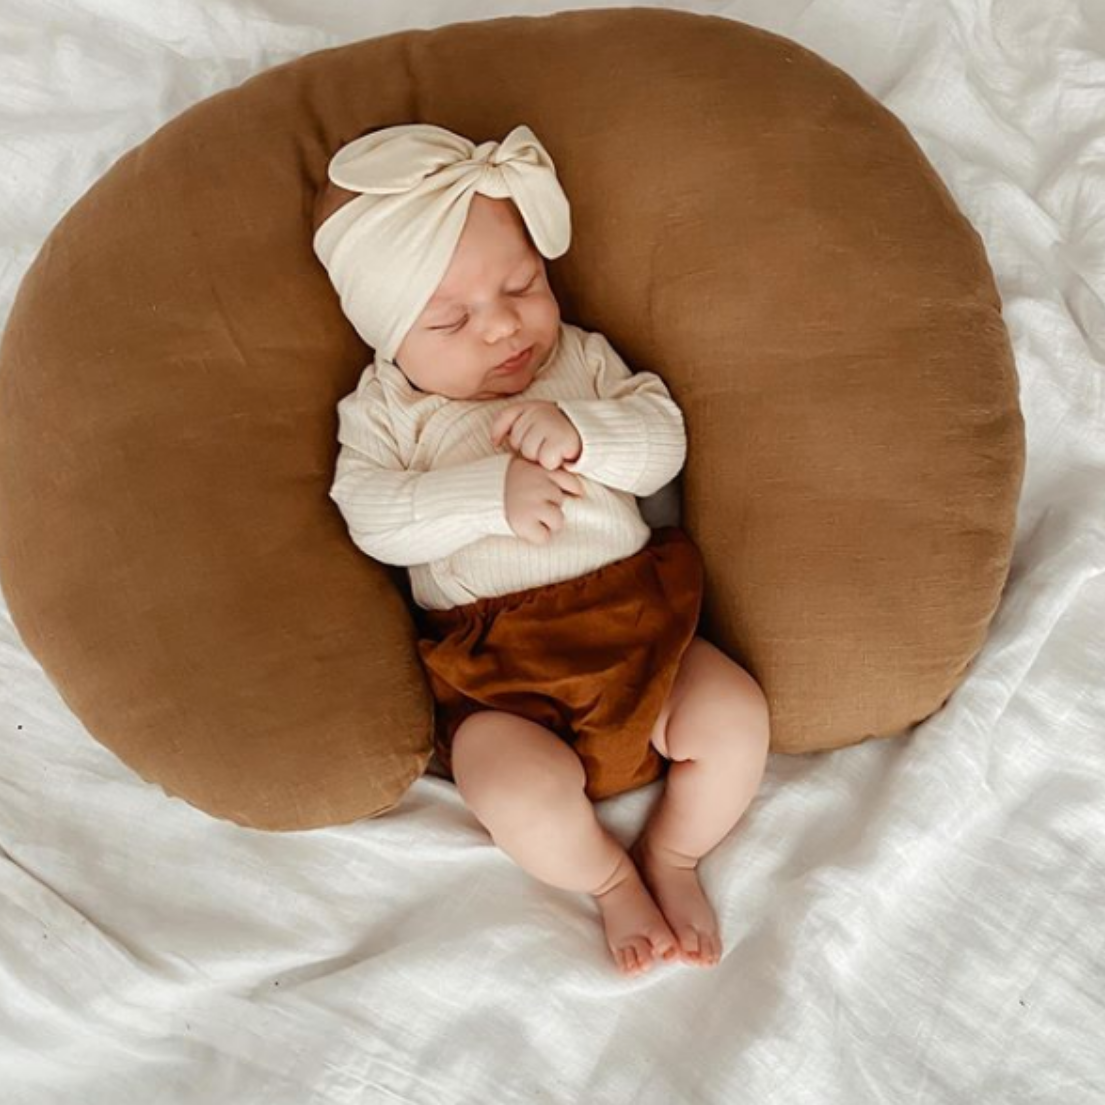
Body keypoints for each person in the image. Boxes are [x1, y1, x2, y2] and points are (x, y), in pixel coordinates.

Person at [313, 122, 770, 976]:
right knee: (509, 789)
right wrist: (485, 493)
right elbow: (371, 516)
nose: (503, 329)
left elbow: (662, 440)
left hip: (645, 633)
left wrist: (584, 434)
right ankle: (607, 879)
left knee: (735, 717)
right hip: (504, 682)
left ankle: (671, 854)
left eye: (522, 285)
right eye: (450, 319)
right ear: (389, 338)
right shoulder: (384, 413)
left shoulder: (579, 361)